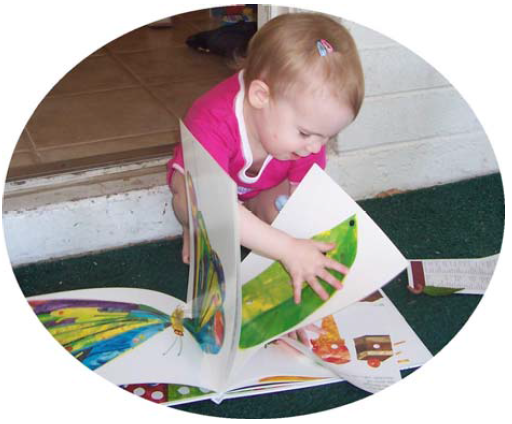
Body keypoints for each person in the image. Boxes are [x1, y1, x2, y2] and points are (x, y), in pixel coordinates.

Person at [168, 12, 364, 304]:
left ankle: (271, 247)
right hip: (205, 191)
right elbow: (216, 205)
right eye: (306, 133)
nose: (316, 147)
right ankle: (192, 228)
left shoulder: (308, 130)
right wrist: (287, 248)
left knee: (284, 210)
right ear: (260, 96)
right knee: (191, 201)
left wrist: (304, 243)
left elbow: (304, 197)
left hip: (259, 189)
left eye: (328, 137)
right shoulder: (211, 118)